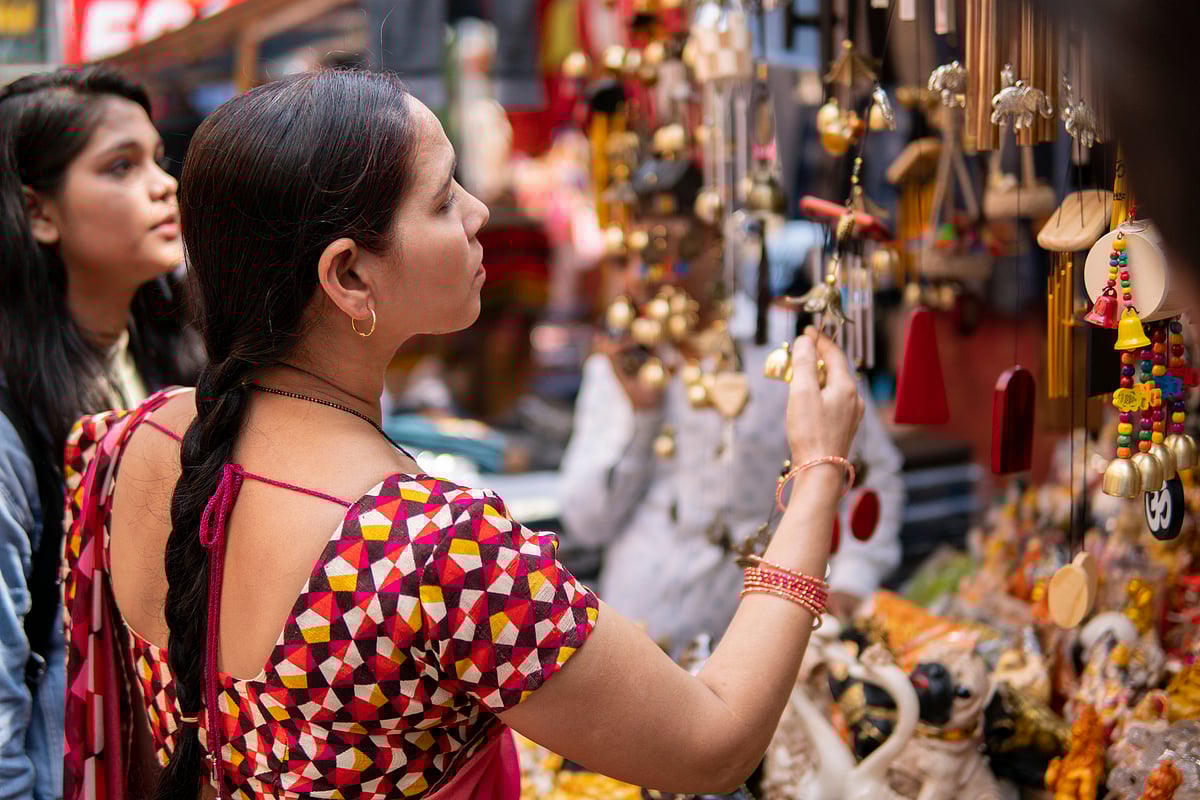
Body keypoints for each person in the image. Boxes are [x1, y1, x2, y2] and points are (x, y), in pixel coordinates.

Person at [60, 69, 863, 800]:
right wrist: (820, 471)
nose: (479, 214)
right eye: (445, 199)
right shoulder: (429, 545)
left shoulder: (126, 442)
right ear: (347, 276)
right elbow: (713, 743)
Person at [559, 207, 904, 656]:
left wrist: (853, 580)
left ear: (713, 244)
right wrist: (641, 419)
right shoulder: (621, 362)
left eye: (668, 252)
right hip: (642, 629)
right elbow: (586, 523)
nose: (646, 276)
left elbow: (869, 475)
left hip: (761, 631)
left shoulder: (790, 347)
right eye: (631, 257)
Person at [0, 66, 199, 800]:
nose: (163, 185)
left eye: (158, 160)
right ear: (38, 212)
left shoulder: (175, 364)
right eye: (121, 166)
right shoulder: (11, 422)